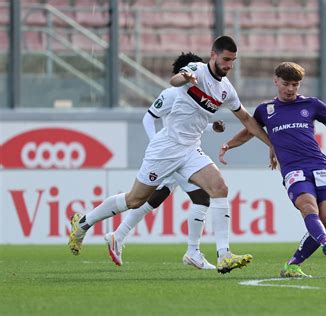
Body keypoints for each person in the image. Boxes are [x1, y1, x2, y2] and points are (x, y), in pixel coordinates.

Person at [68, 35, 276, 274]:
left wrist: (270, 144)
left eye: (233, 61)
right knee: (135, 200)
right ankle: (83, 223)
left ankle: (224, 255)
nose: (229, 65)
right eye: (226, 59)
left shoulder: (226, 90)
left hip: (190, 150)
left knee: (219, 189)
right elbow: (175, 80)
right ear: (214, 56)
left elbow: (247, 120)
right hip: (166, 149)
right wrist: (185, 77)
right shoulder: (196, 70)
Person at [219, 62, 326, 278]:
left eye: (295, 84)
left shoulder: (312, 105)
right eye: (286, 84)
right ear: (276, 81)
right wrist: (229, 144)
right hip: (293, 170)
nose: (291, 89)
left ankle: (292, 265)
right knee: (308, 208)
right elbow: (249, 132)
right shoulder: (266, 110)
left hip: (319, 166)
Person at [103, 52, 225, 270]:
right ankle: (192, 251)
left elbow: (187, 126)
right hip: (169, 154)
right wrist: (157, 148)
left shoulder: (197, 96)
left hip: (184, 153)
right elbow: (149, 117)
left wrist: (211, 128)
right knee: (196, 197)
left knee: (155, 197)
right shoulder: (172, 93)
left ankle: (118, 234)